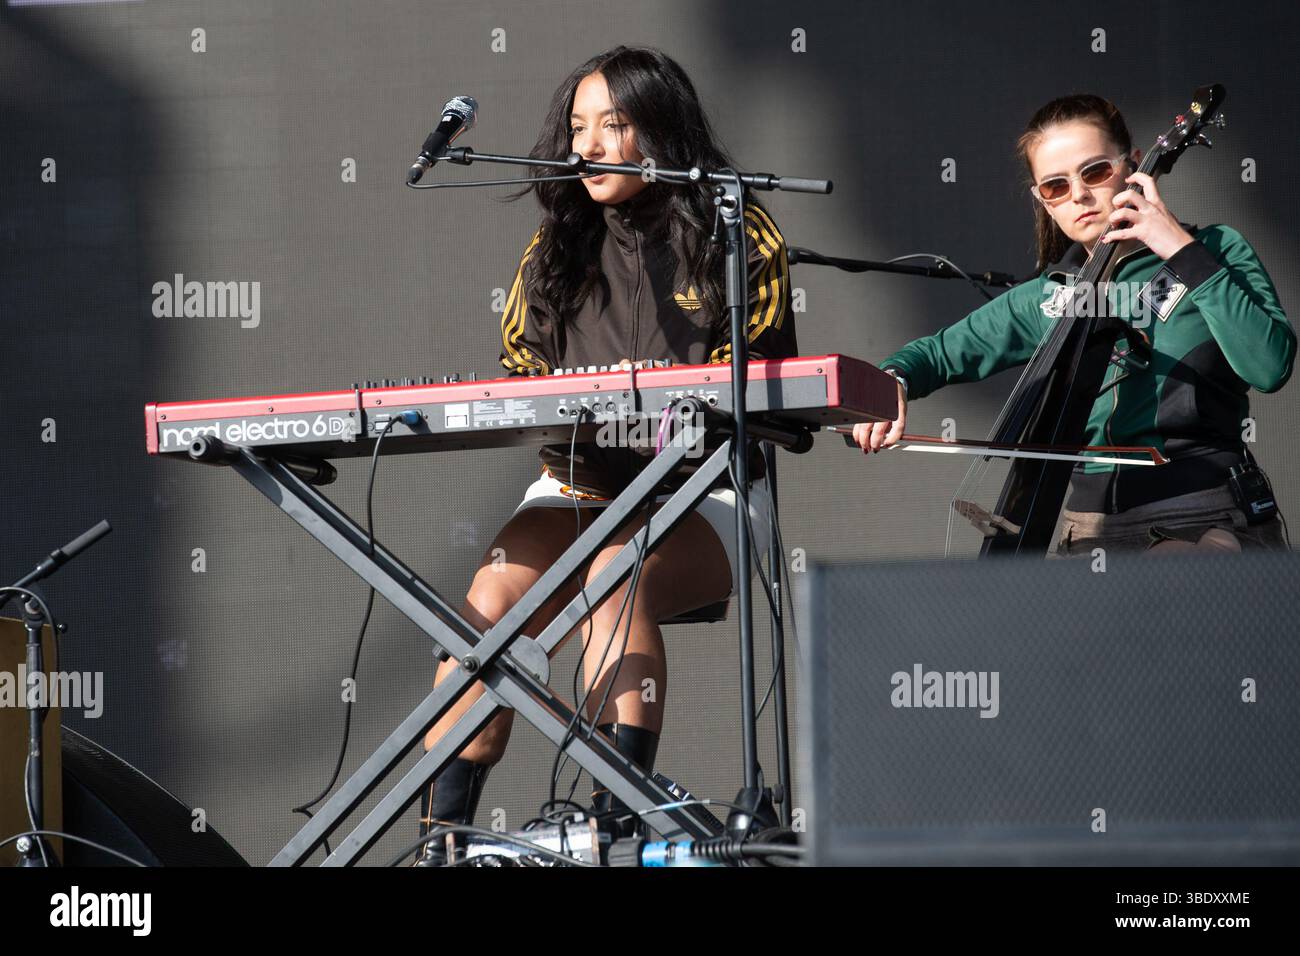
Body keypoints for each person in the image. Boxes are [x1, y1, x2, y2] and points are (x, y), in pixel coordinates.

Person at [413, 46, 796, 864]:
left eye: (611, 125)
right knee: (486, 608)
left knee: (615, 575)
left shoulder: (738, 226)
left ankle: (608, 825)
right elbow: (523, 384)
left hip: (706, 494)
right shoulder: (552, 249)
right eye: (577, 127)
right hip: (580, 483)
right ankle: (442, 841)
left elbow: (769, 381)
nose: (587, 144)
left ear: (660, 132)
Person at [852, 93, 1294, 556]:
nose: (1079, 195)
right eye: (1055, 186)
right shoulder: (1048, 296)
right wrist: (891, 383)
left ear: (1134, 167)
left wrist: (1182, 252)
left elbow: (1269, 367)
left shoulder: (1215, 249)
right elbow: (936, 354)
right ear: (1041, 200)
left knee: (1186, 567)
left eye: (1095, 171)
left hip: (1207, 513)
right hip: (1089, 534)